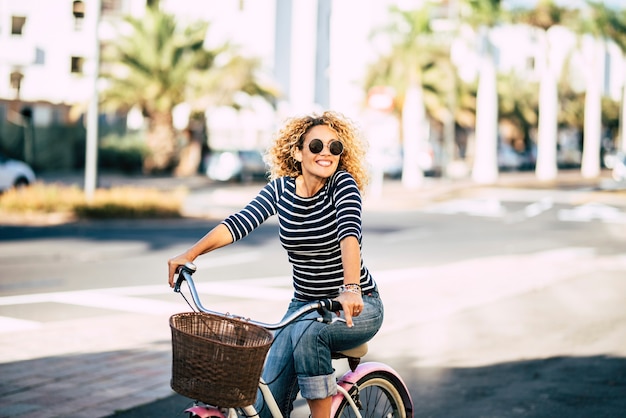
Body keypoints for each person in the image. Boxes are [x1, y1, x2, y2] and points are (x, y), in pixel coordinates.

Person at [167, 110, 384, 418]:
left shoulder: (342, 185)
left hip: (357, 306)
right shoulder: (280, 191)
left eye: (334, 147)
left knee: (311, 334)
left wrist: (351, 288)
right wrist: (191, 254)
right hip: (304, 305)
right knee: (265, 403)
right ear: (297, 151)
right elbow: (239, 222)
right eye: (316, 145)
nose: (326, 153)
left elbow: (350, 233)